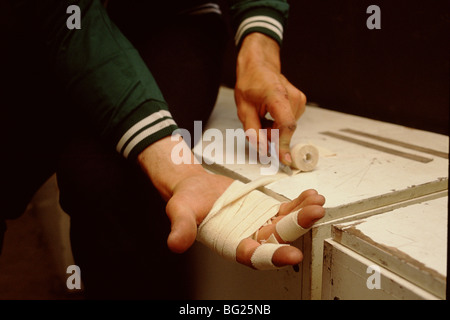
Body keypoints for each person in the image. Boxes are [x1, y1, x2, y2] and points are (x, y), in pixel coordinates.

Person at [1, 0, 325, 299]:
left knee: (101, 176)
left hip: (171, 19)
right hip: (44, 20)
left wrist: (260, 45)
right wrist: (180, 171)